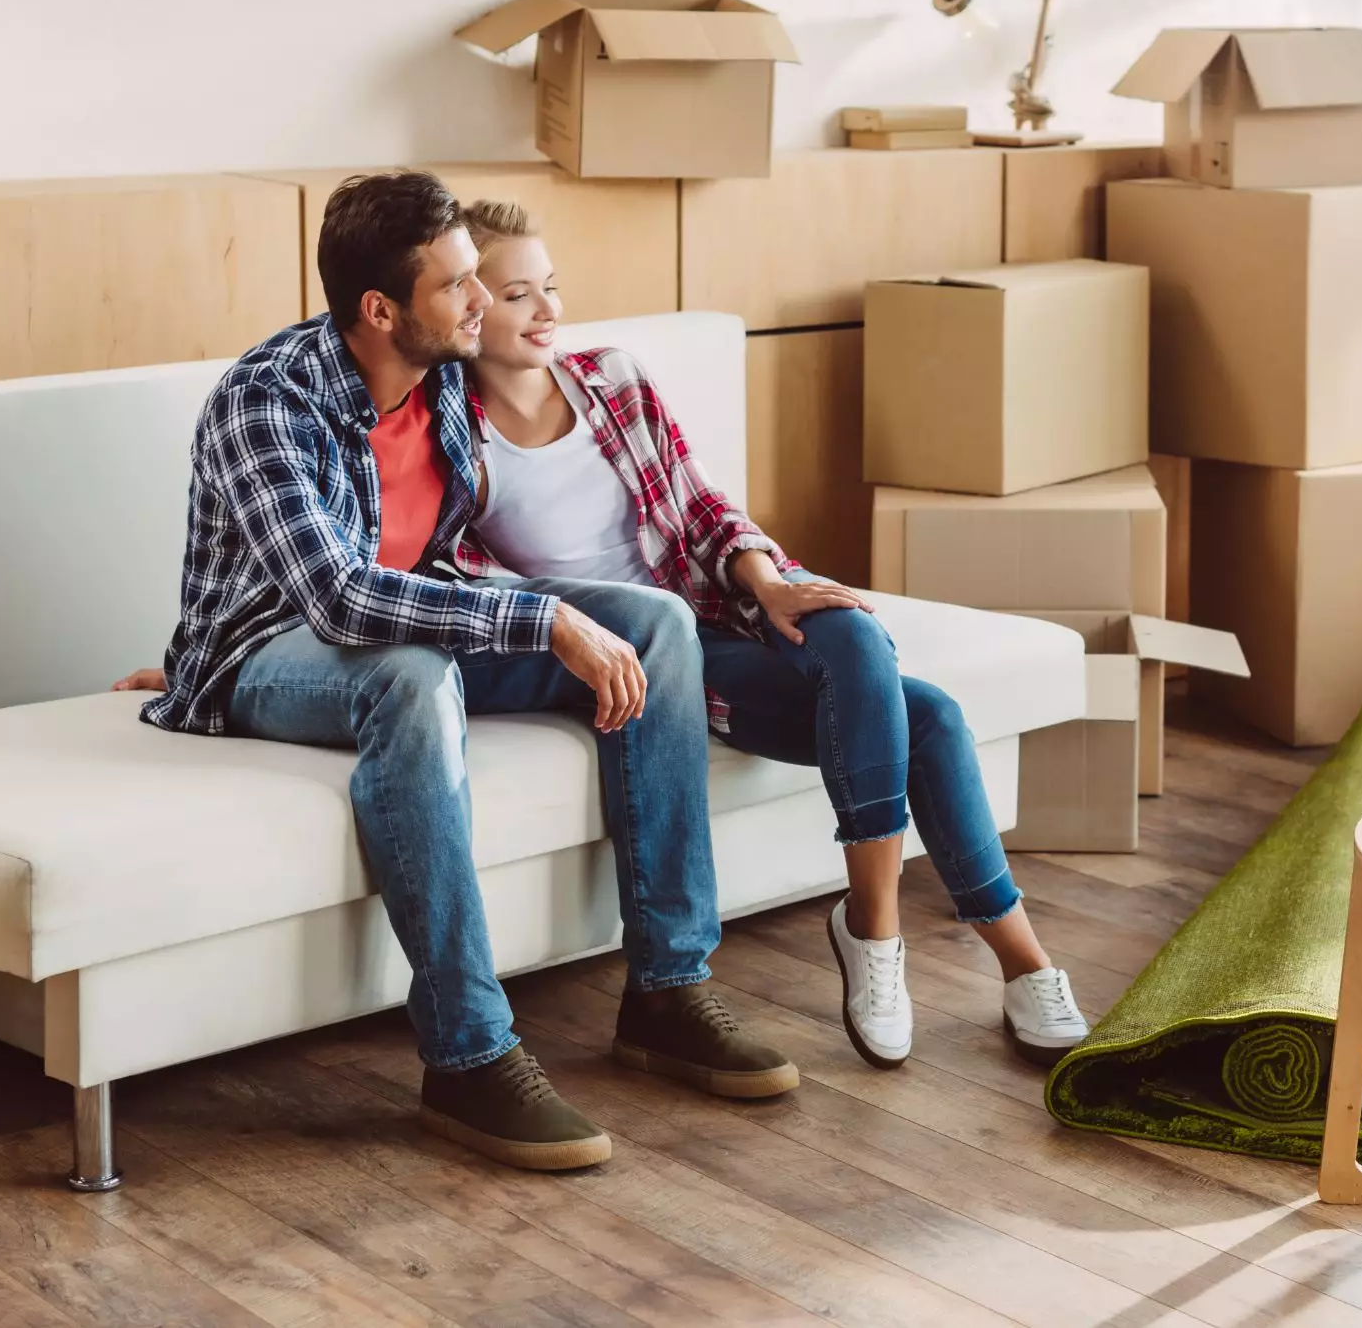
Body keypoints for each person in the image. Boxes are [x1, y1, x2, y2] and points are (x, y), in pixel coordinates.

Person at [134, 171, 794, 1175]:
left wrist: (593, 608)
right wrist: (540, 621)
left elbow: (497, 517)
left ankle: (667, 987)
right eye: (456, 285)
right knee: (407, 673)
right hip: (261, 656)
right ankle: (468, 1053)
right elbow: (343, 602)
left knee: (653, 626)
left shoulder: (442, 376)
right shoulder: (266, 402)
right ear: (380, 310)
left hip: (416, 629)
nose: (481, 299)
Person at [452, 197, 1091, 1069]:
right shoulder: (448, 436)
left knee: (854, 634)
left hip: (718, 606)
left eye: (552, 287)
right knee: (931, 718)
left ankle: (876, 930)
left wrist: (771, 583)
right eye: (519, 294)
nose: (549, 311)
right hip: (642, 655)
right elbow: (468, 582)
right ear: (467, 306)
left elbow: (703, 505)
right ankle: (1018, 961)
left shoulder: (611, 379)